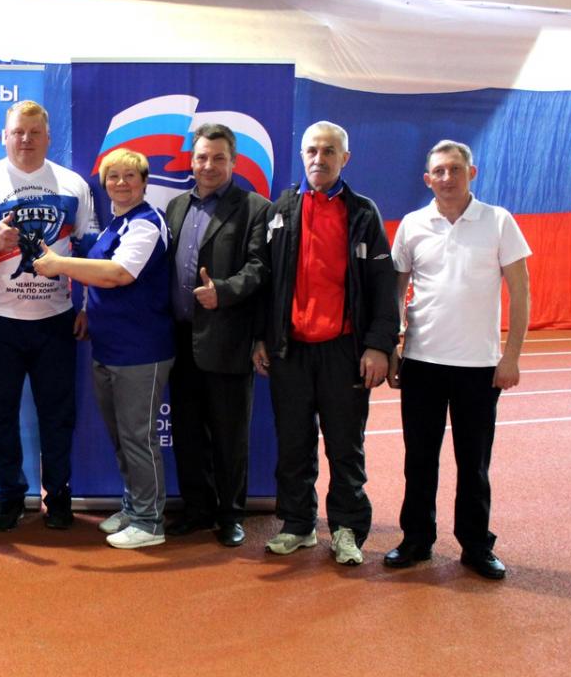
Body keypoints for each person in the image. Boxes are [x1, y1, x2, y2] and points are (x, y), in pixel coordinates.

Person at [252, 121, 398, 566]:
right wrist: (262, 336)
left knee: (345, 446)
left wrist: (378, 345)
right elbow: (265, 282)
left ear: (344, 158)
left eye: (329, 151)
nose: (320, 158)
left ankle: (347, 529)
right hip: (290, 351)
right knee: (293, 443)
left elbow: (383, 284)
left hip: (344, 350)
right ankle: (298, 525)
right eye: (312, 150)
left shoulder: (363, 213)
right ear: (302, 155)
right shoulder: (280, 210)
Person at [385, 140, 531, 580]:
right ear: (427, 179)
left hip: (479, 367)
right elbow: (395, 289)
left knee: (474, 463)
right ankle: (416, 539)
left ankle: (475, 544)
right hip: (421, 362)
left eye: (455, 169)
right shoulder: (412, 224)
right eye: (439, 171)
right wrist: (393, 346)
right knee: (419, 460)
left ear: (472, 172)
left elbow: (521, 292)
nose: (447, 178)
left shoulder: (499, 221)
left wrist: (511, 357)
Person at [0, 100, 94, 531]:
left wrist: (87, 305)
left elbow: (89, 248)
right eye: (17, 132)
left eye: (34, 132)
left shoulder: (73, 184)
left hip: (56, 320)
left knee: (58, 415)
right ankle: (10, 497)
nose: (25, 140)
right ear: (5, 136)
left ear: (48, 137)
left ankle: (59, 497)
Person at [35, 149, 173, 549]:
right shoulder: (118, 223)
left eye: (130, 176)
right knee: (122, 437)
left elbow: (117, 273)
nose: (121, 183)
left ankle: (149, 522)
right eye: (113, 176)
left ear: (144, 182)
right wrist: (85, 309)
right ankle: (134, 506)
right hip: (108, 345)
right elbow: (99, 272)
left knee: (138, 438)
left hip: (141, 349)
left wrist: (61, 265)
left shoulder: (147, 223)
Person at [164, 124, 270, 546]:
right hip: (179, 340)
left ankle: (230, 515)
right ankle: (197, 509)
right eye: (202, 157)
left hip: (228, 340)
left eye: (218, 158)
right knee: (187, 433)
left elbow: (260, 269)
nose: (208, 165)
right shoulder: (175, 206)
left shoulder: (255, 208)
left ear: (234, 162)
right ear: (191, 161)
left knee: (229, 436)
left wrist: (221, 292)